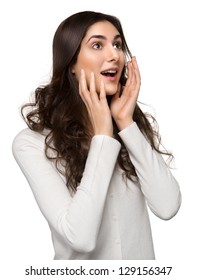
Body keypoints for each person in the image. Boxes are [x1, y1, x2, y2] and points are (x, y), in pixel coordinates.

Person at [12, 11, 181, 260]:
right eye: (97, 45)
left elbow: (167, 207)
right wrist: (102, 136)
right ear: (71, 64)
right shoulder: (32, 143)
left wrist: (125, 123)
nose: (114, 55)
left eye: (117, 44)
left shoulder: (129, 126)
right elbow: (80, 237)